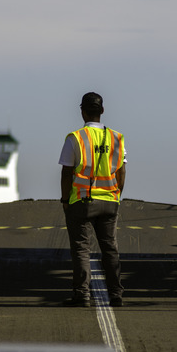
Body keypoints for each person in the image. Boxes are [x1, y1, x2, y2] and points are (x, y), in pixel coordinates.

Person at [58, 92, 126, 308]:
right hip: (110, 201)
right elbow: (122, 171)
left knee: (81, 249)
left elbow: (67, 173)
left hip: (82, 202)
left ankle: (82, 295)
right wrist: (116, 194)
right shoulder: (117, 138)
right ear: (102, 111)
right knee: (110, 249)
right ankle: (116, 294)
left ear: (82, 111)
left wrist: (66, 200)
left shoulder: (75, 138)